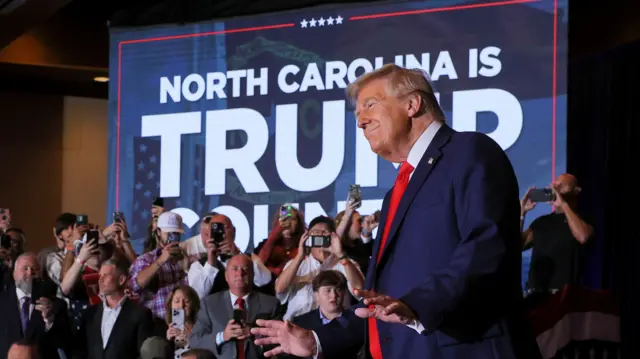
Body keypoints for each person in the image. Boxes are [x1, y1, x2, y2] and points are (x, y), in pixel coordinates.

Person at [252, 64, 540, 359]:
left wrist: (418, 305)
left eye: (370, 105)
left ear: (412, 104)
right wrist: (319, 340)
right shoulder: (396, 192)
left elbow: (486, 246)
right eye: (357, 114)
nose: (361, 121)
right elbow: (380, 297)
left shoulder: (469, 151)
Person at [190, 254, 280, 359]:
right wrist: (222, 336)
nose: (240, 273)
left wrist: (255, 335)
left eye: (245, 269)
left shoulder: (271, 304)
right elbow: (195, 341)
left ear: (253, 275)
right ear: (226, 276)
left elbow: (281, 340)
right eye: (235, 269)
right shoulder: (209, 303)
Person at [521, 174, 594, 292]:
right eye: (555, 185)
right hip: (536, 296)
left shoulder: (584, 221)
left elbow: (583, 237)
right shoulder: (541, 222)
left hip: (564, 297)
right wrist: (522, 213)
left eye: (562, 186)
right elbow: (517, 245)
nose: (556, 188)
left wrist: (563, 204)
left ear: (576, 191)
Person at [75, 258, 154, 359]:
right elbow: (80, 350)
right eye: (100, 276)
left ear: (121, 280)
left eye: (105, 275)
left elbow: (143, 354)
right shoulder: (90, 314)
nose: (100, 280)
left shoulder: (140, 314)